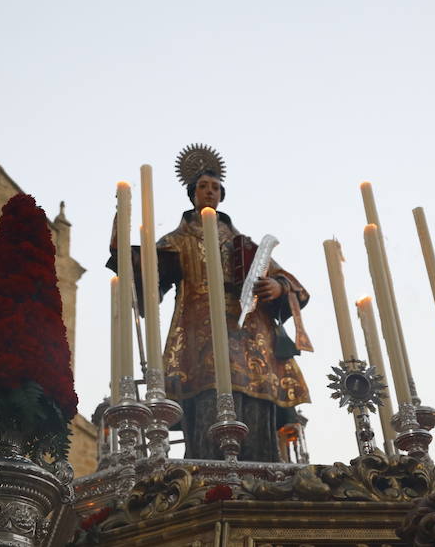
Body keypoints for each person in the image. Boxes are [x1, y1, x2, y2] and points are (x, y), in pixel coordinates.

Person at [111, 157, 311, 462]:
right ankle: (209, 474)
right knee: (206, 402)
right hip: (199, 338)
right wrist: (125, 249)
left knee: (256, 404)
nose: (210, 191)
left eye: (216, 187)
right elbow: (149, 272)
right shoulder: (178, 241)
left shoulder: (243, 243)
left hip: (251, 339)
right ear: (192, 193)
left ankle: (266, 473)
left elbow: (286, 280)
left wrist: (278, 288)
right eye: (203, 186)